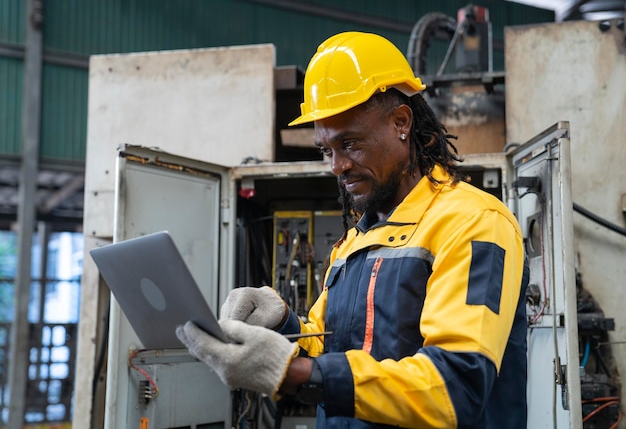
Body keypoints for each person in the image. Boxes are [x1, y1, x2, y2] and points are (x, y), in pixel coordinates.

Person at [176, 31, 529, 428]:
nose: (337, 166)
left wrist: (291, 373)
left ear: (401, 122)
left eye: (351, 144)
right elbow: (331, 346)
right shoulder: (358, 238)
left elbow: (453, 389)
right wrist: (282, 323)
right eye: (327, 150)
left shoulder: (473, 223)